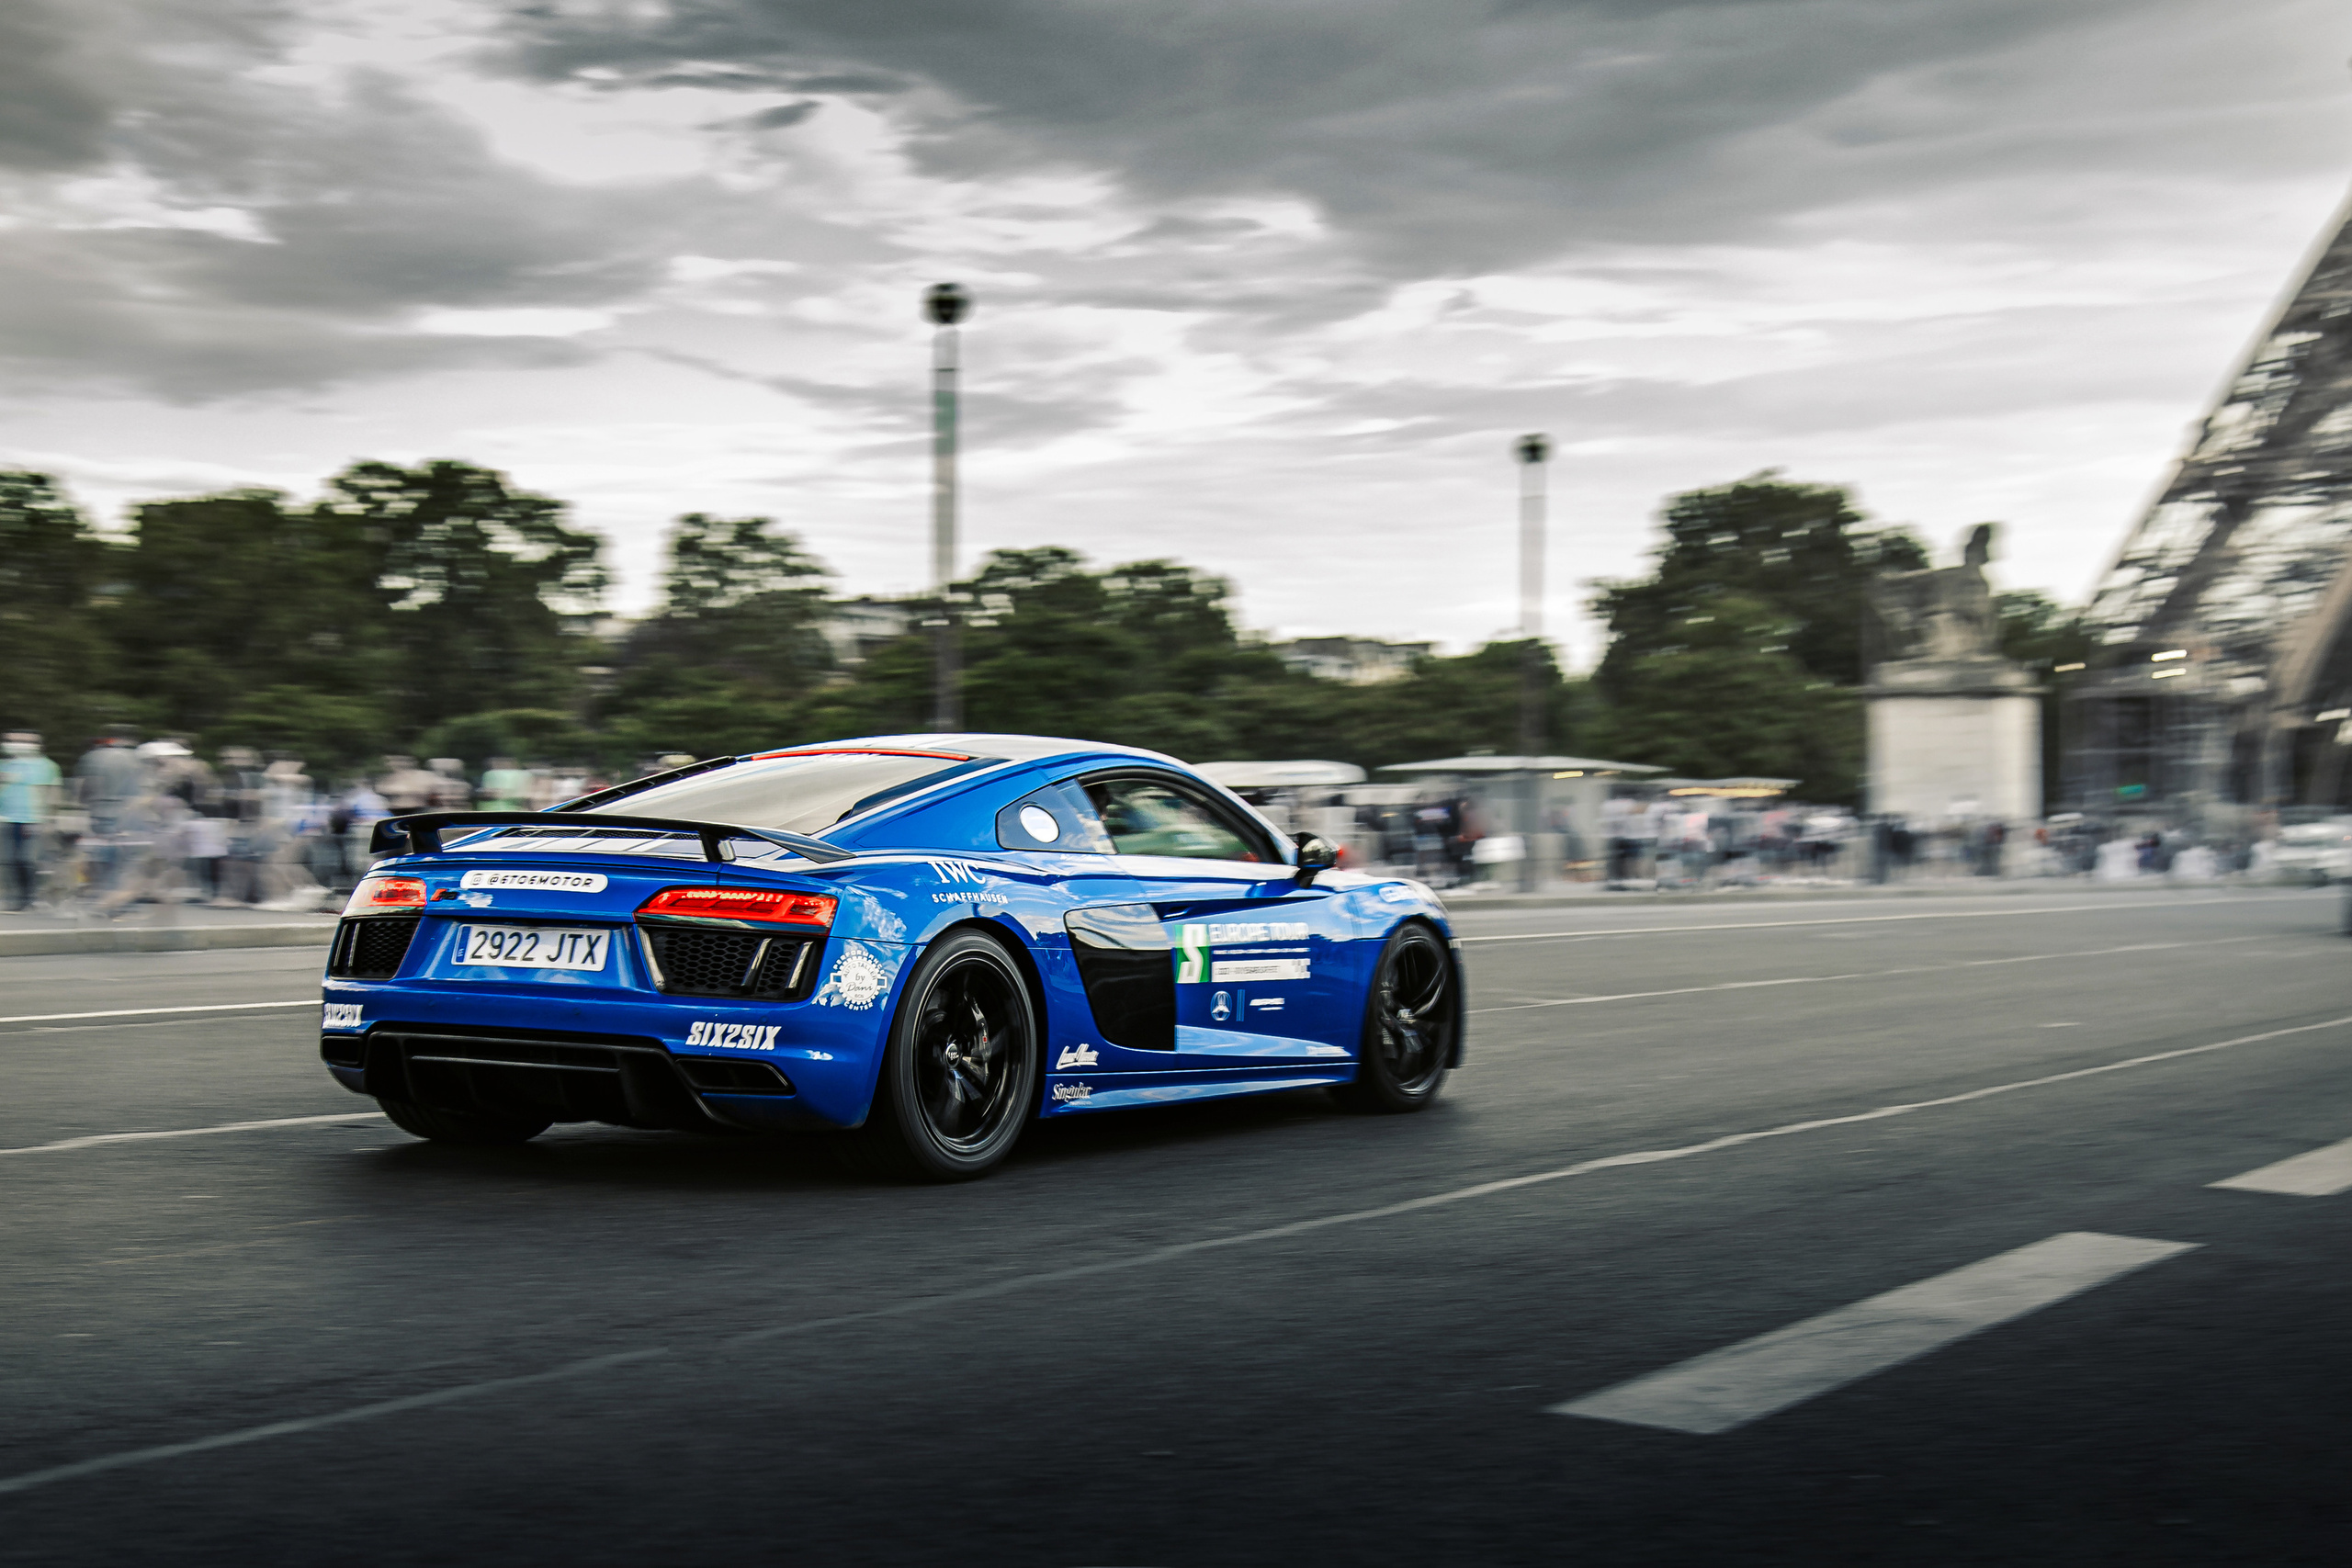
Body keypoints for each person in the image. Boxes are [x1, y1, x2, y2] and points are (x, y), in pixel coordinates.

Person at [1, 731, 61, 910]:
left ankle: (29, 896)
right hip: (6, 820)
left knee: (26, 860)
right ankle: (18, 896)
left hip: (33, 820)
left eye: (22, 741)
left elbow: (53, 795)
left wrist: (49, 820)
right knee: (9, 861)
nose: (14, 744)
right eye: (11, 740)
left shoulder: (47, 766)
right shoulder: (4, 765)